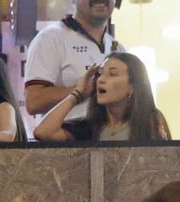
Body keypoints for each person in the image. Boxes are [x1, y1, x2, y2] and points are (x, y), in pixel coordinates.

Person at [24, 0, 124, 119]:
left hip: (111, 141)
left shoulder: (118, 48)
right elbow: (33, 101)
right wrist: (79, 91)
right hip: (69, 142)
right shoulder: (51, 38)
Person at [33, 52, 171, 142]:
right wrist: (77, 94)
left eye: (112, 74)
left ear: (132, 86)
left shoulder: (151, 121)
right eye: (100, 74)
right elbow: (43, 132)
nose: (101, 80)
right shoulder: (89, 128)